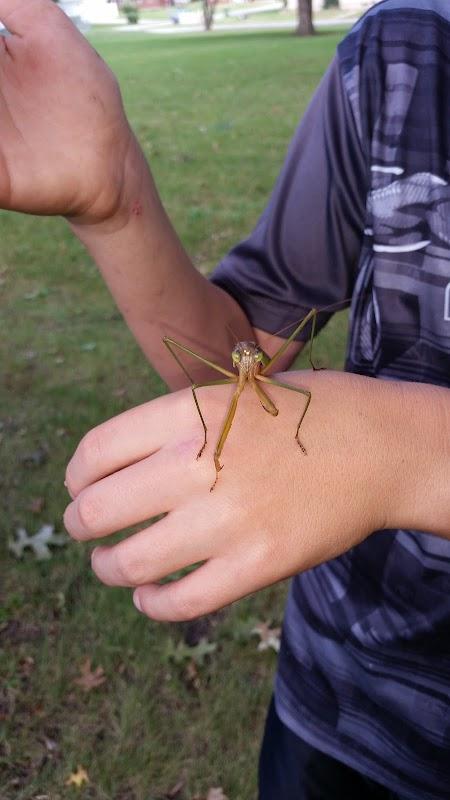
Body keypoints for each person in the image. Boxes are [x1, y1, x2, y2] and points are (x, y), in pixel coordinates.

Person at [1, 0, 449, 797]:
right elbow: (229, 359)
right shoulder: (402, 53)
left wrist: (398, 453)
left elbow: (330, 425)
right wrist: (114, 203)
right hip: (344, 692)